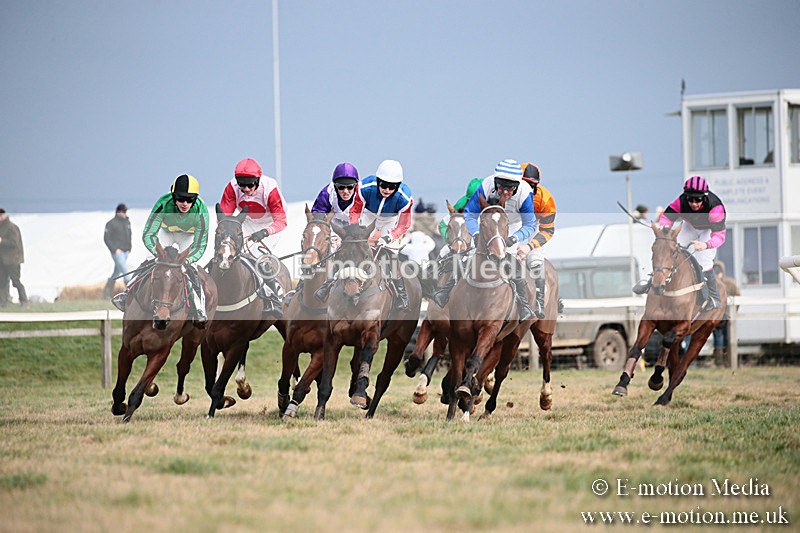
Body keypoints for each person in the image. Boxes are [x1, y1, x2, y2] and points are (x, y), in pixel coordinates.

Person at [435, 159, 536, 320]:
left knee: (510, 259)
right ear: (495, 182)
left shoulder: (524, 194)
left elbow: (530, 224)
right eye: (501, 188)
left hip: (512, 225)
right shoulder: (486, 186)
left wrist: (514, 238)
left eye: (510, 189)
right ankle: (446, 291)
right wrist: (475, 234)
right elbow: (469, 214)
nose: (505, 193)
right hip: (488, 224)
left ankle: (524, 305)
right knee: (468, 256)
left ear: (517, 186)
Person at [113, 174, 210, 326]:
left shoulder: (202, 211)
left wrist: (187, 260)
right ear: (173, 196)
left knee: (192, 268)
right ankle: (126, 294)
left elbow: (200, 245)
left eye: (190, 199)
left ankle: (199, 308)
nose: (185, 203)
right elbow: (149, 234)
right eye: (180, 199)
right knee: (149, 260)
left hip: (188, 236)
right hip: (167, 232)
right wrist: (159, 254)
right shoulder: (163, 203)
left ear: (195, 199)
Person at [317, 159, 413, 310]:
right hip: (369, 215)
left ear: (398, 186)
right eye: (384, 185)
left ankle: (402, 297)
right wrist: (354, 233)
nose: (387, 190)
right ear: (378, 181)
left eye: (392, 187)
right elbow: (355, 211)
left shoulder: (405, 199)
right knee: (350, 248)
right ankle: (327, 284)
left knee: (391, 257)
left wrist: (388, 237)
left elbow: (403, 225)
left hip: (390, 220)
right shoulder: (364, 187)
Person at [633, 176, 727, 310]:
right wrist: (664, 229)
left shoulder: (715, 208)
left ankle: (714, 297)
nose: (694, 203)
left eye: (698, 199)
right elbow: (666, 218)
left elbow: (719, 236)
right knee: (668, 249)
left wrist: (705, 245)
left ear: (705, 197)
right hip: (690, 226)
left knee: (704, 260)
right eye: (690, 199)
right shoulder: (680, 201)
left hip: (708, 230)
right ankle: (650, 282)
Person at [220, 157, 288, 316]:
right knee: (229, 252)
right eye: (242, 185)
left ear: (258, 180)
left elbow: (282, 221)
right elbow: (224, 218)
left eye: (250, 185)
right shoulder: (232, 187)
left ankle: (273, 296)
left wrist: (264, 232)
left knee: (257, 257)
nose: (246, 189)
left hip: (270, 224)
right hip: (246, 222)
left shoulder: (270, 188)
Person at [516, 162, 557, 319]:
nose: (527, 189)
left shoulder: (545, 199)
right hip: (512, 226)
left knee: (534, 259)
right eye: (524, 184)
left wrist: (529, 246)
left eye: (531, 185)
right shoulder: (507, 193)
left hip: (534, 228)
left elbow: (547, 230)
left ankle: (539, 301)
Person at [311, 162, 363, 250]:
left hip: (357, 225)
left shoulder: (363, 193)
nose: (346, 191)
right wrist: (330, 234)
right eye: (341, 187)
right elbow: (318, 218)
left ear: (356, 185)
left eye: (350, 187)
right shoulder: (326, 194)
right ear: (335, 186)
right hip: (334, 226)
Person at [712, 260, 740, 366]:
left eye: (718, 271)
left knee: (729, 339)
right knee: (718, 339)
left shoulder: (730, 283)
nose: (717, 273)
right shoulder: (711, 283)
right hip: (716, 317)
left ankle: (729, 362)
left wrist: (733, 311)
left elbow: (738, 298)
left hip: (727, 317)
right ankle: (719, 362)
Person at [102, 203, 132, 300]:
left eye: (125, 211)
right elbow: (106, 238)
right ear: (118, 212)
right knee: (126, 273)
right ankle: (131, 294)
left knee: (116, 273)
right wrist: (114, 249)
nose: (125, 213)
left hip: (126, 251)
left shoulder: (127, 222)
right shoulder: (111, 223)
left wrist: (129, 248)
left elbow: (129, 235)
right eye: (123, 211)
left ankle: (106, 293)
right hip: (117, 252)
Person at [0, 208, 28, 307]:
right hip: (2, 260)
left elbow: (14, 243)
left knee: (16, 281)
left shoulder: (12, 227)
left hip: (13, 260)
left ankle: (24, 300)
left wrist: (1, 241)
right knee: (2, 282)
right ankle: (3, 302)